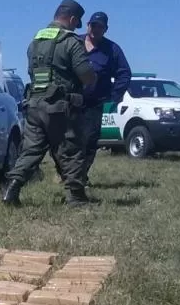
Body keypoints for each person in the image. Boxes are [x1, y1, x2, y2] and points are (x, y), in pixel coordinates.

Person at [2, 0, 98, 207]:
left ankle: (12, 189)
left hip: (35, 106)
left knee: (31, 151)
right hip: (60, 108)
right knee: (70, 150)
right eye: (76, 22)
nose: (76, 27)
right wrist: (92, 78)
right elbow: (86, 75)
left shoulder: (35, 42)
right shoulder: (70, 42)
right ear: (72, 19)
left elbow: (31, 73)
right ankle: (76, 198)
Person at [51, 11, 131, 185]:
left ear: (105, 29)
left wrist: (114, 97)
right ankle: (65, 173)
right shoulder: (74, 42)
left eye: (100, 26)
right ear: (87, 25)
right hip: (70, 102)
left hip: (94, 103)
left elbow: (124, 74)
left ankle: (79, 176)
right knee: (64, 141)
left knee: (89, 141)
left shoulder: (112, 50)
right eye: (93, 25)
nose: (95, 29)